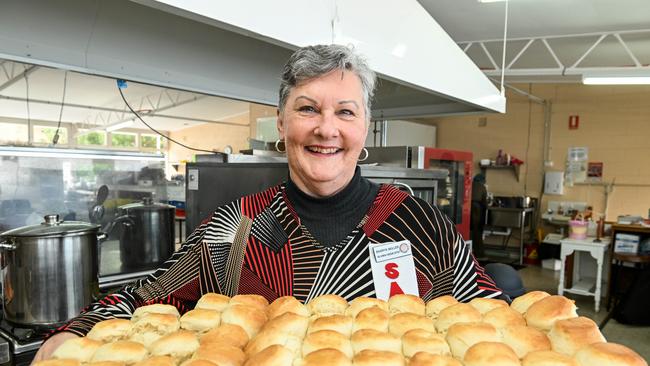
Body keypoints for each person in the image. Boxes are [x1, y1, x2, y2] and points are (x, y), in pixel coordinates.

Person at [33, 44, 501, 361]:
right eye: (307, 108)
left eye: (345, 111)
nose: (326, 129)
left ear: (365, 127)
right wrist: (72, 333)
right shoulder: (234, 227)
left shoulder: (416, 221)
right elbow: (145, 301)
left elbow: (492, 316)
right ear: (280, 124)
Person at [470, 173, 488, 260]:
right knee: (477, 231)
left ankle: (468, 251)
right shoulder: (482, 187)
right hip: (477, 209)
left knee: (469, 230)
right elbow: (484, 201)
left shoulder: (470, 184)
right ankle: (479, 254)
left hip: (467, 208)